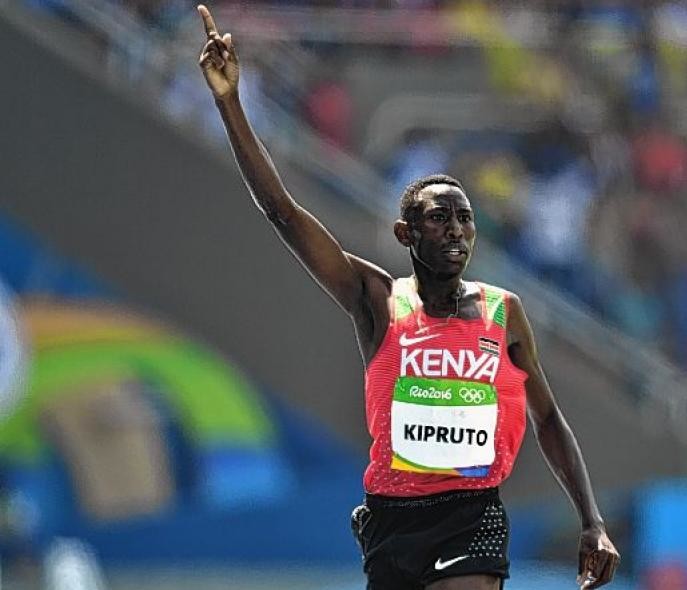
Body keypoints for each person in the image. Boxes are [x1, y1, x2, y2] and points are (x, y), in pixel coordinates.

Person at [194, 6, 620, 590]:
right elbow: (283, 214)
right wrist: (230, 103)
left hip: (472, 513)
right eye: (439, 217)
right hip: (393, 520)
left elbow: (548, 418)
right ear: (406, 233)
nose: (456, 230)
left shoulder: (503, 312)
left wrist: (592, 522)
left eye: (465, 219)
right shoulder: (378, 300)